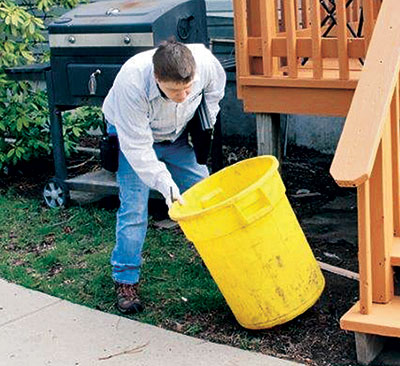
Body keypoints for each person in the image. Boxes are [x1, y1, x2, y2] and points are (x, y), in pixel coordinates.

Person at [102, 40, 226, 314]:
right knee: (134, 209)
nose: (183, 96)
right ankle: (126, 280)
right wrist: (168, 188)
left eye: (188, 88)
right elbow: (139, 149)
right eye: (174, 90)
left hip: (177, 135)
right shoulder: (131, 82)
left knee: (207, 194)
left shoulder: (204, 63)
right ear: (157, 78)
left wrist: (206, 123)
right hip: (131, 137)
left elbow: (216, 90)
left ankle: (222, 260)